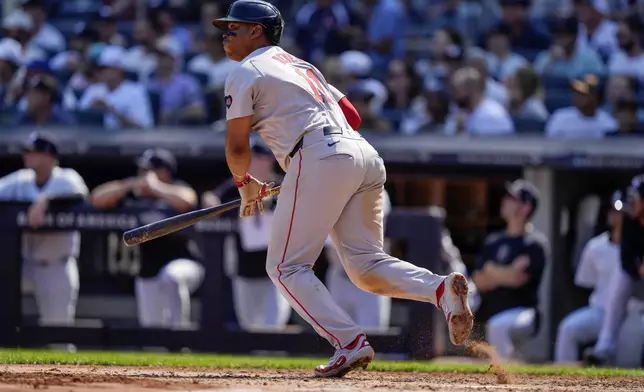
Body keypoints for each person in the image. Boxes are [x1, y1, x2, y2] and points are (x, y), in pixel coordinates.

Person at [212, 0, 473, 378]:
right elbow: (352, 114)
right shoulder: (301, 65)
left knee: (285, 267)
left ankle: (348, 342)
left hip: (319, 154)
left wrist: (244, 183)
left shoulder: (246, 69)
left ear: (257, 31)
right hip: (362, 152)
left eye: (234, 27)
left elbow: (237, 148)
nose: (225, 33)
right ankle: (439, 290)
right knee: (366, 266)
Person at [90, 149, 204, 328]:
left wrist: (156, 186)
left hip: (185, 262)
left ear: (165, 172)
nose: (143, 175)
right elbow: (97, 199)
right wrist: (128, 185)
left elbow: (187, 200)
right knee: (151, 329)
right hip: (148, 270)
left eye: (148, 170)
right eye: (142, 171)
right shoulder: (134, 196)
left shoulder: (176, 189)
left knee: (171, 277)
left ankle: (180, 336)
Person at [0, 132, 88, 326]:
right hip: (24, 266)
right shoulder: (20, 180)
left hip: (56, 267)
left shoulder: (66, 178)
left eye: (33, 152)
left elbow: (80, 196)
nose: (26, 156)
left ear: (49, 156)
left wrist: (47, 200)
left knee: (58, 331)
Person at [202, 140, 291, 330]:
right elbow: (211, 198)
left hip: (276, 268)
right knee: (249, 325)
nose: (261, 163)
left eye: (264, 159)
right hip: (245, 265)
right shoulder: (237, 184)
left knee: (273, 324)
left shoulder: (282, 185)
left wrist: (267, 201)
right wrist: (212, 202)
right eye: (256, 159)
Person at [554, 191, 644, 363]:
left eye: (619, 210)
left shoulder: (637, 246)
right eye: (613, 209)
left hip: (633, 313)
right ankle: (563, 380)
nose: (614, 214)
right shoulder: (596, 246)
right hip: (600, 311)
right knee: (568, 328)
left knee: (626, 358)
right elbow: (584, 282)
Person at [470, 180, 548, 359]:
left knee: (498, 325)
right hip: (492, 311)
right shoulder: (494, 241)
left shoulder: (535, 243)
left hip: (524, 313)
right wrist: (508, 271)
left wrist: (492, 271)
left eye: (512, 198)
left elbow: (518, 279)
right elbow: (479, 281)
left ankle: (506, 377)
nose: (505, 200)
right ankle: (509, 369)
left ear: (526, 207)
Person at [584, 175, 644, 366]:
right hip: (639, 278)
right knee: (621, 275)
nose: (631, 205)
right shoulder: (629, 221)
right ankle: (604, 347)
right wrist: (639, 268)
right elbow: (626, 260)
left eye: (636, 199)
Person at [325, 189, 392, 332]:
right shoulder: (331, 188)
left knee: (371, 338)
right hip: (339, 276)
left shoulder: (376, 191)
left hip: (370, 278)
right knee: (338, 339)